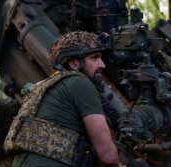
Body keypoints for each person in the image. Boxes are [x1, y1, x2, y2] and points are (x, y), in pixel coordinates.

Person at [10, 31, 121, 167]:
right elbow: (108, 157)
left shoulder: (41, 88)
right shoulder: (80, 83)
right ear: (74, 63)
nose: (102, 65)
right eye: (94, 58)